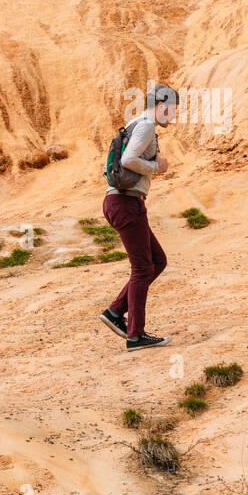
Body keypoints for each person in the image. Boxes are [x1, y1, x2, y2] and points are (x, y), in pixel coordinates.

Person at [99, 84, 178, 350]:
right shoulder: (145, 126)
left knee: (157, 260)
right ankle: (135, 335)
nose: (174, 116)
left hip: (122, 201)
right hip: (125, 203)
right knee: (143, 268)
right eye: (172, 111)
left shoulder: (134, 123)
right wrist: (157, 167)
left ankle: (115, 312)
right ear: (161, 106)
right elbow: (128, 160)